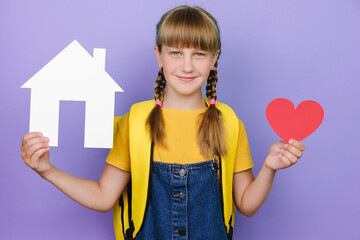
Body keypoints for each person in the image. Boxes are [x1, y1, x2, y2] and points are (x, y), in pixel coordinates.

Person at [20, 5, 305, 240]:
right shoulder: (136, 120)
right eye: (176, 52)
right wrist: (47, 170)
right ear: (159, 55)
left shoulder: (228, 121)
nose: (187, 66)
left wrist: (269, 167)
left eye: (199, 54)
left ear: (214, 60)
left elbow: (246, 204)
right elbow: (103, 196)